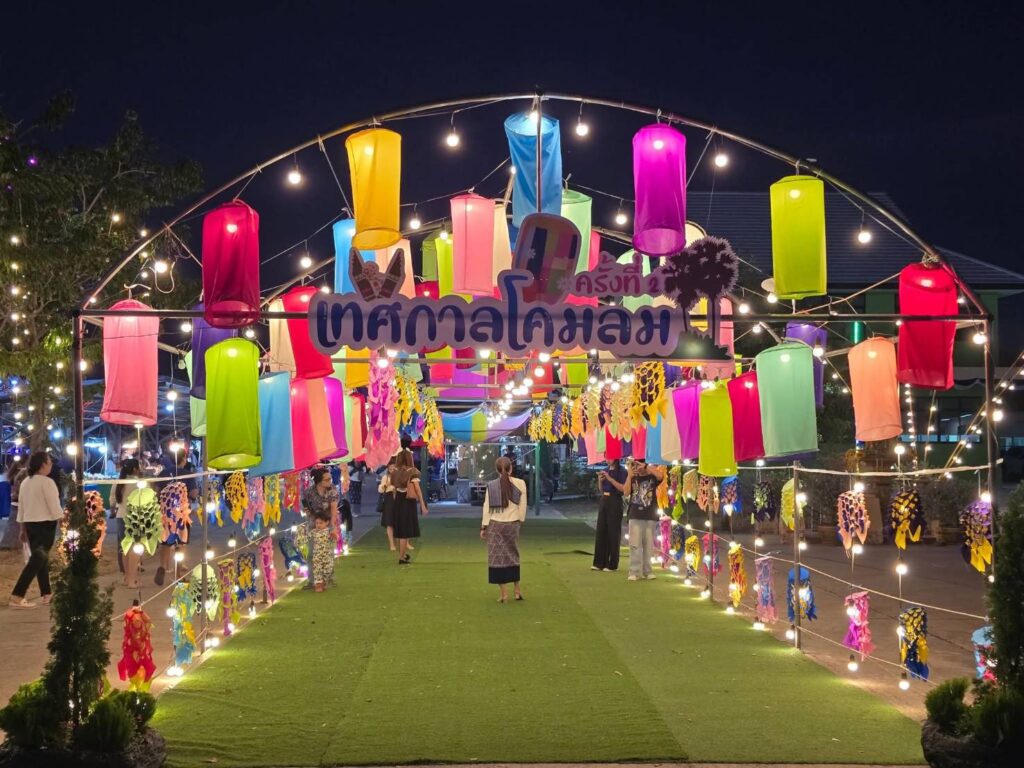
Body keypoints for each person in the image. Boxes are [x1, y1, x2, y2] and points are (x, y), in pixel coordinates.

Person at [9, 451, 64, 608]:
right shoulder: (47, 482)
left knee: (40, 559)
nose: (51, 465)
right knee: (37, 560)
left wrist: (22, 528)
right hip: (45, 525)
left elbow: (21, 507)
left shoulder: (26, 482)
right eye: (49, 462)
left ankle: (46, 593)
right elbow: (54, 506)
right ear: (43, 465)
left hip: (30, 524)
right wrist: (62, 521)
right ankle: (17, 594)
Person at [481, 456, 528, 603]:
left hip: (495, 525)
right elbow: (523, 505)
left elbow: (487, 507)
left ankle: (504, 594)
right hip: (513, 524)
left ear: (496, 470)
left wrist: (484, 526)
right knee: (513, 555)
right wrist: (520, 520)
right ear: (511, 468)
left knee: (497, 559)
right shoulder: (520, 483)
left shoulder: (491, 485)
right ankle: (517, 591)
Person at [622, 458, 665, 581]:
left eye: (639, 465)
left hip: (650, 514)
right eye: (635, 465)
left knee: (648, 544)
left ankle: (648, 571)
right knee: (634, 544)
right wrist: (629, 475)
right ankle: (634, 571)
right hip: (635, 514)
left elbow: (661, 476)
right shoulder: (633, 477)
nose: (638, 468)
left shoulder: (652, 477)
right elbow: (626, 492)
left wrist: (646, 467)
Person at [301, 467, 341, 592]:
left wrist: (332, 527)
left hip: (328, 524)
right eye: (327, 479)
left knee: (327, 553)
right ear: (319, 481)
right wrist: (307, 511)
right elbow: (306, 508)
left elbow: (334, 510)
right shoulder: (309, 492)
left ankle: (328, 578)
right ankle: (312, 580)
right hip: (313, 525)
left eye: (330, 479)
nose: (330, 481)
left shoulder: (332, 491)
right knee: (311, 553)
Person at [388, 450, 428, 565]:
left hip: (398, 501)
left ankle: (403, 555)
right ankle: (401, 557)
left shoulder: (394, 472)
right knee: (405, 531)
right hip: (408, 501)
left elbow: (393, 489)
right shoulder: (412, 472)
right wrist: (423, 505)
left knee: (399, 530)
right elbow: (417, 489)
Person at [109, 458, 144, 587]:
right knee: (134, 549)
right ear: (135, 469)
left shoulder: (119, 482)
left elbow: (112, 501)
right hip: (134, 518)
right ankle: (132, 580)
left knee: (125, 549)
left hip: (120, 516)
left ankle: (126, 577)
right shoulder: (138, 483)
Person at [593, 459, 628, 571]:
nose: (608, 459)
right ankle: (599, 562)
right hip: (604, 499)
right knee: (601, 530)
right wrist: (600, 480)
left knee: (613, 532)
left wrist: (610, 479)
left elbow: (623, 489)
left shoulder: (622, 471)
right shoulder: (605, 470)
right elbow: (601, 489)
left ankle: (612, 564)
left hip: (615, 500)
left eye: (610, 457)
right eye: (606, 457)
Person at [378, 455, 398, 551]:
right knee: (390, 523)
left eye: (394, 467)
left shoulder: (399, 476)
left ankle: (402, 542)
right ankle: (391, 544)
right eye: (390, 468)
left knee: (399, 522)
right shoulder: (385, 477)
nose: (392, 469)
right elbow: (380, 490)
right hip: (389, 499)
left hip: (398, 499)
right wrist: (386, 485)